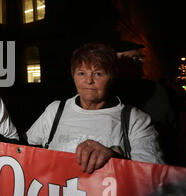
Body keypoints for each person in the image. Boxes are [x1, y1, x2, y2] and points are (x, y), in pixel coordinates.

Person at [26, 43, 163, 174]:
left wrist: (114, 157)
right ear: (73, 76)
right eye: (81, 73)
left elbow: (152, 175)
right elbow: (25, 151)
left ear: (111, 77)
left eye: (98, 73)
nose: (89, 80)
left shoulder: (135, 120)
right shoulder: (55, 111)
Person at [112, 41, 181, 166]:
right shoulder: (105, 93)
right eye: (133, 58)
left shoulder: (160, 92)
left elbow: (171, 132)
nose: (139, 62)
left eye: (140, 58)